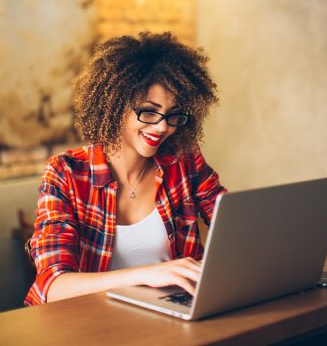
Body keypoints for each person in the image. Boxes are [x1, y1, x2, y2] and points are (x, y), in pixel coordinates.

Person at [24, 32, 226, 305]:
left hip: (171, 319)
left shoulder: (183, 160)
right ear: (115, 104)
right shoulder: (66, 172)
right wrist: (146, 274)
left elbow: (234, 227)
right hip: (88, 325)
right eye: (149, 111)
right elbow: (53, 285)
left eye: (173, 114)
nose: (162, 127)